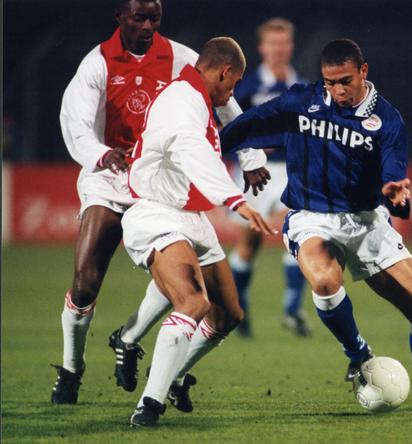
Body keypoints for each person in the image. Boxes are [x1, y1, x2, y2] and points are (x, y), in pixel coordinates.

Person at [219, 39, 412, 411]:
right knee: (323, 279)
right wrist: (198, 149)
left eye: (345, 81)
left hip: (366, 221)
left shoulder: (387, 120)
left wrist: (395, 195)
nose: (337, 90)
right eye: (329, 82)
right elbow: (244, 126)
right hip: (311, 217)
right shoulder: (301, 102)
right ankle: (357, 352)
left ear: (363, 72)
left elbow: (394, 178)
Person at [54, 0, 255, 405]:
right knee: (86, 281)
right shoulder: (97, 63)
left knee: (181, 275)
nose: (148, 25)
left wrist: (250, 158)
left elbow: (225, 99)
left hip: (160, 182)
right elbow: (74, 120)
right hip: (110, 179)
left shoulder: (181, 57)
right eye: (139, 18)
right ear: (119, 17)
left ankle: (129, 338)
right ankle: (72, 367)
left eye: (155, 18)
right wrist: (100, 154)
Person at [123, 36, 274, 426]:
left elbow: (231, 111)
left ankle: (162, 369)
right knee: (193, 303)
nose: (233, 91)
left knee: (228, 315)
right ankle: (149, 407)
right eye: (234, 82)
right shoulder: (181, 102)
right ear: (225, 72)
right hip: (156, 214)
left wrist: (251, 156)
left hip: (190, 217)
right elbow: (193, 150)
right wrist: (235, 199)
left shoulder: (201, 92)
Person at [229, 18, 310, 337]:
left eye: (284, 43)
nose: (279, 49)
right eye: (273, 43)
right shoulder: (248, 86)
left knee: (298, 235)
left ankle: (292, 309)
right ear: (262, 47)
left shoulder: (302, 86)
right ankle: (241, 307)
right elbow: (230, 124)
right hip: (256, 172)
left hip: (292, 170)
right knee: (250, 242)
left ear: (291, 46)